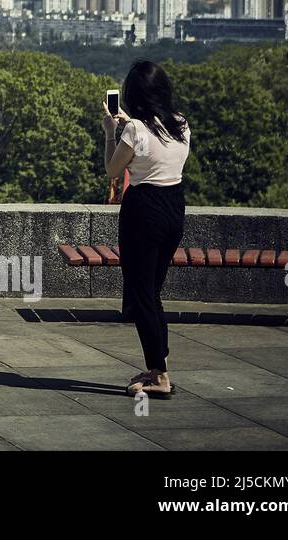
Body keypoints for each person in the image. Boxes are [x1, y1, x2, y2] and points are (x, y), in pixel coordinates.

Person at [102, 59, 191, 398]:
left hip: (143, 212)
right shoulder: (181, 124)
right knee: (153, 293)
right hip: (173, 207)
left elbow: (113, 170)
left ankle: (160, 375)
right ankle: (159, 366)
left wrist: (112, 132)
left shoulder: (134, 131)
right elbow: (158, 149)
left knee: (142, 297)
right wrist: (130, 125)